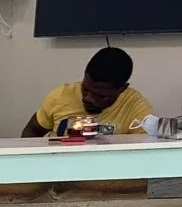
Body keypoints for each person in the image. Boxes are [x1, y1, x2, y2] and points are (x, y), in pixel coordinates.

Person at [21, 45, 153, 138]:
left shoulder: (137, 108)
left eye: (100, 96)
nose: (89, 98)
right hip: (62, 174)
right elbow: (32, 131)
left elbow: (143, 153)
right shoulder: (60, 96)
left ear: (122, 89)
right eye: (85, 89)